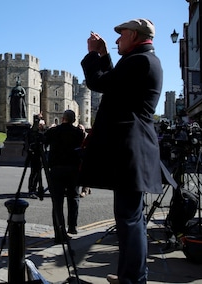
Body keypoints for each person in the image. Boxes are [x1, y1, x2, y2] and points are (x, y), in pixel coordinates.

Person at [80, 18, 163, 284]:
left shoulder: (141, 61)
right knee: (130, 219)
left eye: (121, 35)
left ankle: (134, 280)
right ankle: (131, 276)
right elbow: (114, 82)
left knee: (129, 220)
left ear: (135, 36)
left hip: (131, 149)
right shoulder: (142, 60)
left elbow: (100, 83)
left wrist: (93, 54)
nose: (116, 40)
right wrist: (104, 56)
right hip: (133, 148)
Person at [44, 110, 85, 242]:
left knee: (57, 202)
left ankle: (59, 232)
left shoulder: (54, 131)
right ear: (73, 120)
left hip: (56, 169)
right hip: (73, 169)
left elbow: (42, 140)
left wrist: (49, 129)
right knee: (73, 197)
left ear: (63, 118)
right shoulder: (78, 133)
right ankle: (72, 225)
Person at [77, 124, 91, 198]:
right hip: (78, 157)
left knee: (86, 173)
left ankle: (85, 190)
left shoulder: (87, 136)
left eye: (81, 129)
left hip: (86, 157)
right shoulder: (75, 136)